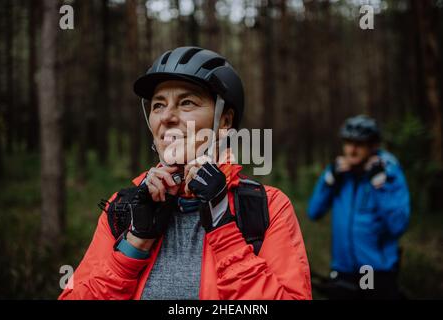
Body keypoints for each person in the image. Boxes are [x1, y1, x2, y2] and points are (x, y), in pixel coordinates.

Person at [59, 46, 311, 300]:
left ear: (224, 122)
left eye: (187, 102)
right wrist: (135, 243)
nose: (166, 117)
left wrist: (223, 225)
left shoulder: (265, 206)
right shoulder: (123, 208)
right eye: (158, 105)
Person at [308, 115, 410, 299]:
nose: (352, 149)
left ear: (373, 146)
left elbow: (398, 224)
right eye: (348, 142)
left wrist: (379, 185)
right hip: (342, 268)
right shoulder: (339, 173)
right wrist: (329, 180)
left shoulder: (389, 174)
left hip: (374, 269)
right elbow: (314, 212)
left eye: (360, 143)